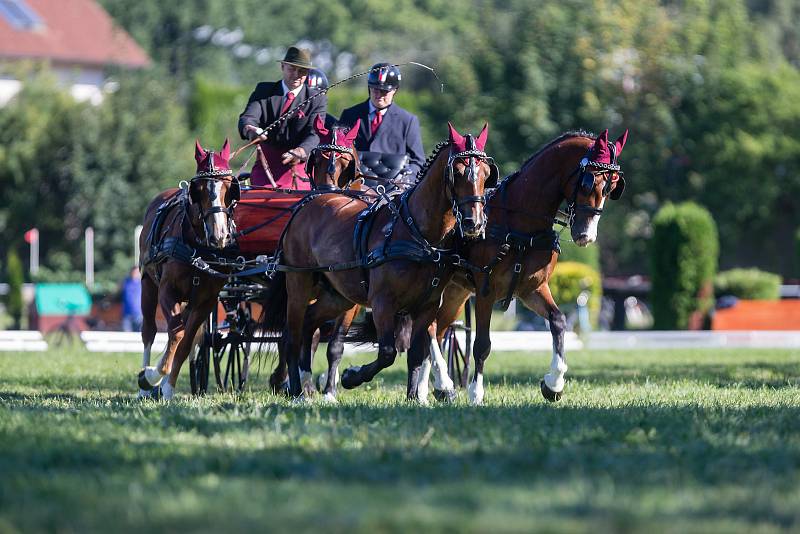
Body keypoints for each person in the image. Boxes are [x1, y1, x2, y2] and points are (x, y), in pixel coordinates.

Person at [238, 46, 327, 189]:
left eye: (302, 71)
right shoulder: (264, 91)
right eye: (292, 69)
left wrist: (301, 151)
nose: (296, 75)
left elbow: (315, 133)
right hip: (265, 167)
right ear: (282, 66)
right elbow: (248, 117)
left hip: (298, 168)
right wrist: (251, 130)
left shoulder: (317, 99)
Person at [338, 63, 426, 178]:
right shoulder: (349, 115)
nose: (379, 95)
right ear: (369, 87)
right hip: (355, 185)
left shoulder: (408, 121)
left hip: (392, 188)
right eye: (375, 90)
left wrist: (405, 179)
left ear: (395, 90)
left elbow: (418, 161)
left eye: (384, 92)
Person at [121, 266, 143, 332]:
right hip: (127, 314)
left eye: (137, 272)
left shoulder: (142, 283)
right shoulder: (125, 283)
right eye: (134, 272)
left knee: (139, 336)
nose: (135, 273)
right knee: (126, 336)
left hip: (139, 314)